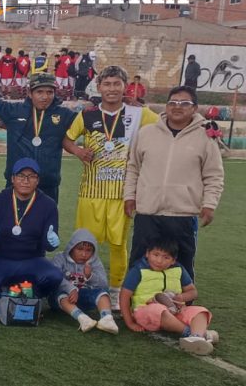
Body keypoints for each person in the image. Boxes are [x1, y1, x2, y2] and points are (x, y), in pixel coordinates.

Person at [64, 65, 158, 307]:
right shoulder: (87, 115)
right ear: (99, 87)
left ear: (125, 86)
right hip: (91, 191)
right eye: (107, 84)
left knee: (118, 245)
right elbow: (67, 139)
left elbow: (163, 126)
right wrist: (78, 151)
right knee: (84, 244)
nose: (112, 89)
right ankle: (80, 285)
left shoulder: (140, 114)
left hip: (121, 193)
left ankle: (116, 291)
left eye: (117, 84)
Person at [124, 86, 223, 279]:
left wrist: (209, 204)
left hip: (182, 215)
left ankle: (182, 300)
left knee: (181, 268)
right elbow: (133, 167)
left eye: (184, 103)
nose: (177, 107)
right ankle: (136, 299)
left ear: (194, 108)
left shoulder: (205, 137)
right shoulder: (146, 133)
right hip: (148, 213)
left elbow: (214, 175)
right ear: (166, 106)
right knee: (139, 264)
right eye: (173, 102)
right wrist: (129, 196)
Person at [0, 158, 63, 313]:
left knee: (55, 276)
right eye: (21, 176)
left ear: (37, 180)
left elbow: (48, 246)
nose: (26, 181)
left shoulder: (48, 205)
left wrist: (51, 242)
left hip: (32, 260)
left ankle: (31, 293)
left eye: (31, 176)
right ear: (13, 179)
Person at [0, 73, 76, 202]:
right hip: (16, 184)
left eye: (50, 92)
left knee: (46, 215)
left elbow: (87, 121)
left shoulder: (64, 115)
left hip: (48, 185)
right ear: (30, 93)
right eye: (39, 92)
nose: (45, 97)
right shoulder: (14, 111)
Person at [121, 239, 218, 355]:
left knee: (201, 311)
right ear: (147, 253)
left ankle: (197, 337)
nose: (159, 260)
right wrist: (129, 323)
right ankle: (192, 333)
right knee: (158, 309)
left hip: (175, 311)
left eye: (166, 257)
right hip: (146, 311)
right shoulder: (138, 270)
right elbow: (124, 296)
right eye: (156, 255)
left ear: (173, 260)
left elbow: (193, 292)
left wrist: (181, 297)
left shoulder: (178, 269)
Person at [50, 228, 119, 334]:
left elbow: (104, 284)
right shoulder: (60, 258)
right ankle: (82, 319)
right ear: (71, 247)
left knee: (103, 293)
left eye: (88, 250)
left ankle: (107, 319)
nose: (84, 254)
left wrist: (90, 276)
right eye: (80, 249)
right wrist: (71, 289)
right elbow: (54, 277)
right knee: (61, 295)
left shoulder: (94, 262)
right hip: (61, 300)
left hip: (84, 298)